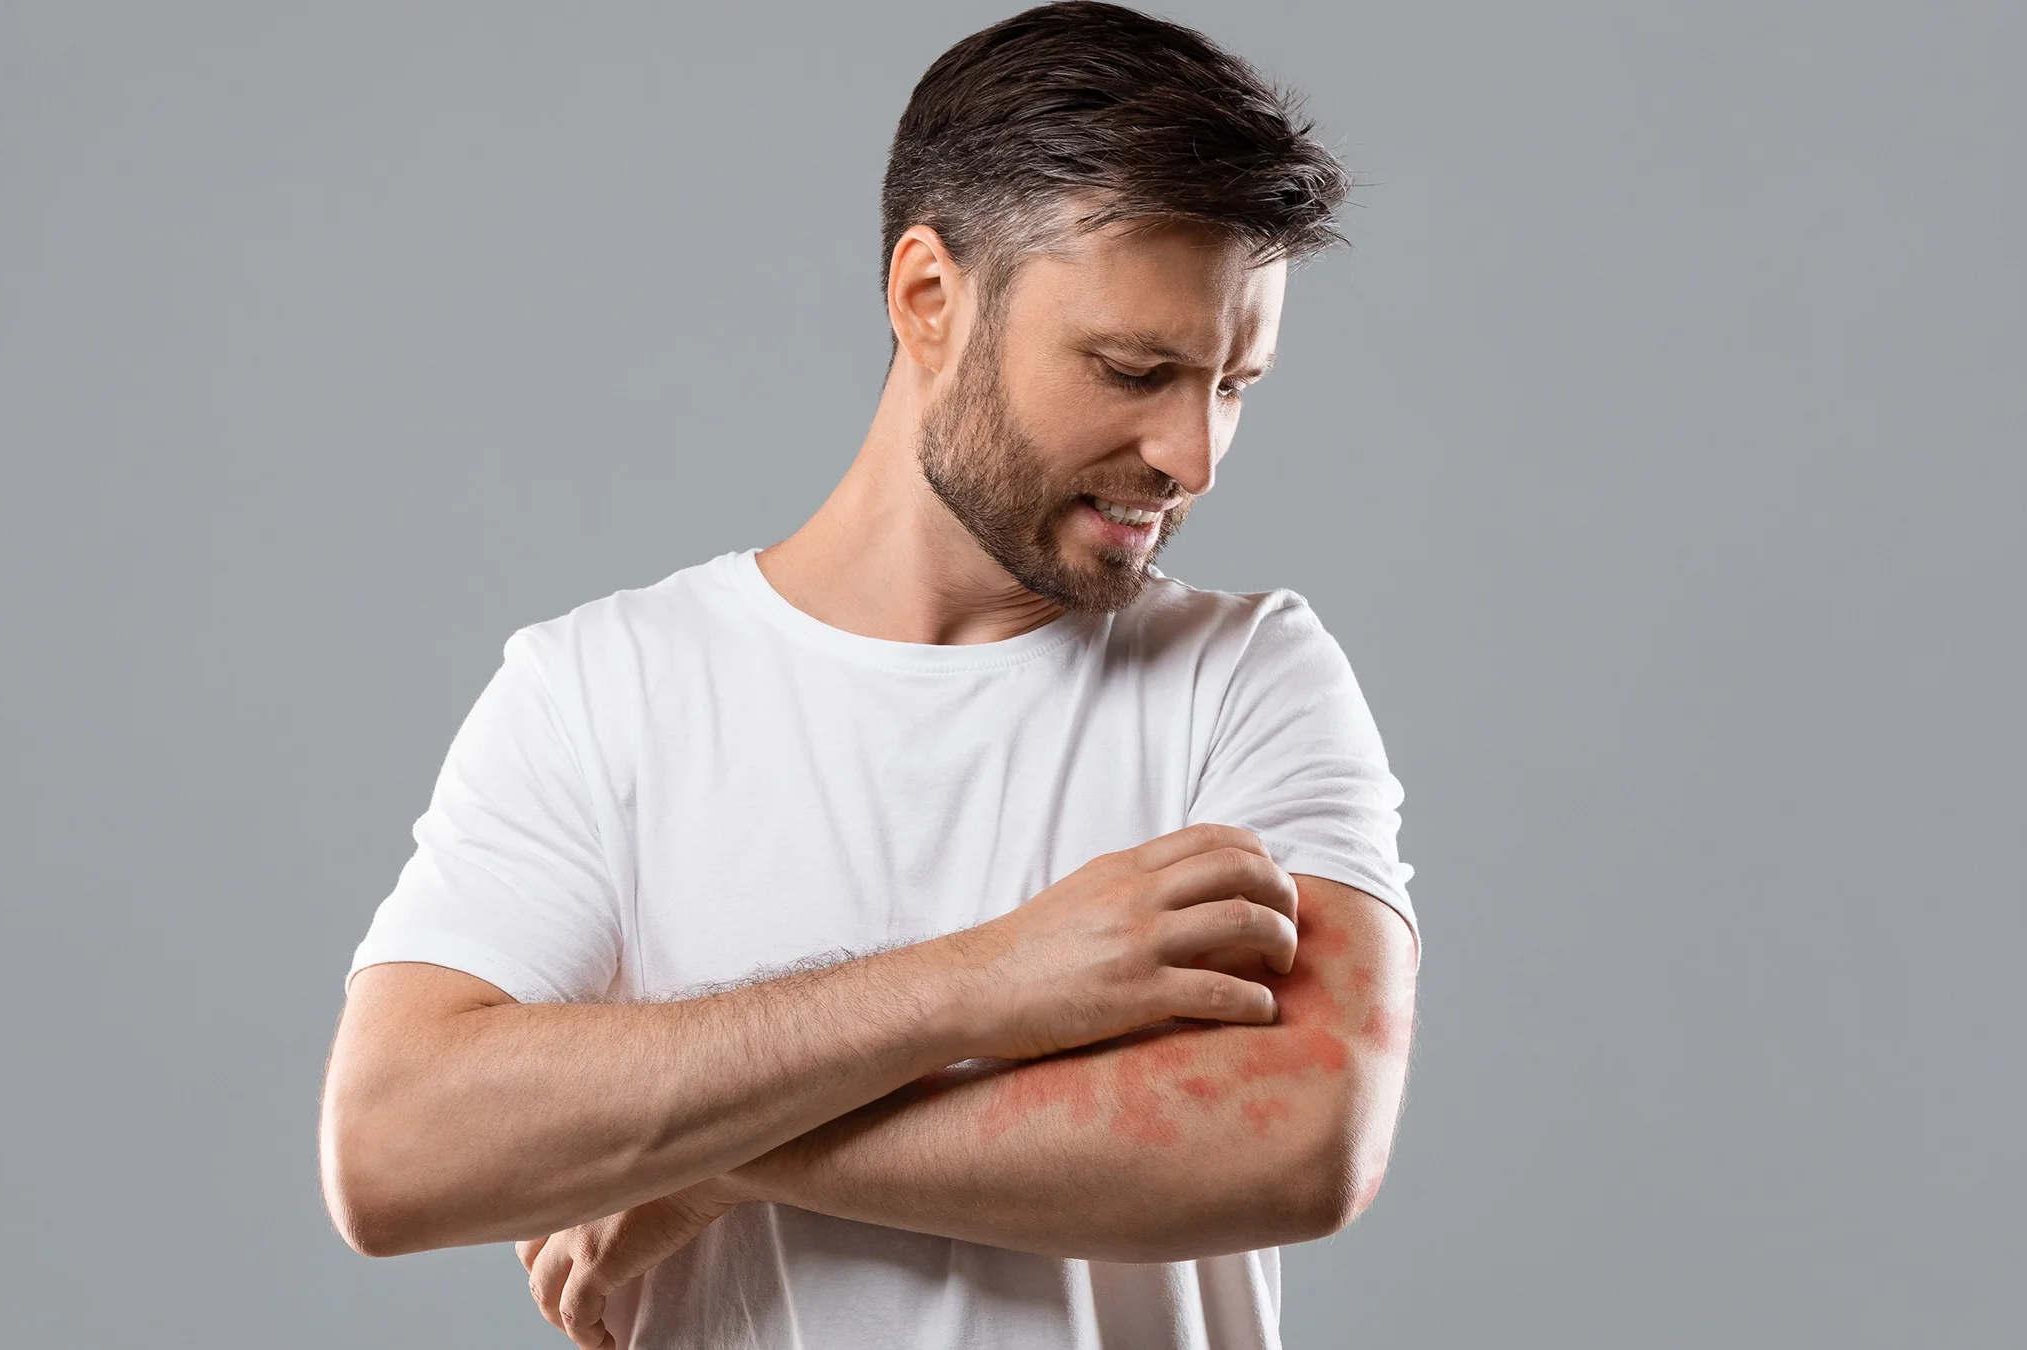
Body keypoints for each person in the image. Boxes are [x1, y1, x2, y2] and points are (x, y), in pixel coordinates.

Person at [317, 4, 1420, 1346]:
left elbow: (1299, 1138)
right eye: (1136, 370)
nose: (1192, 455)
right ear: (930, 299)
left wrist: (709, 1156)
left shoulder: (1246, 678)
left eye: (1234, 384)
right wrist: (985, 980)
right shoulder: (601, 692)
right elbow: (394, 1145)